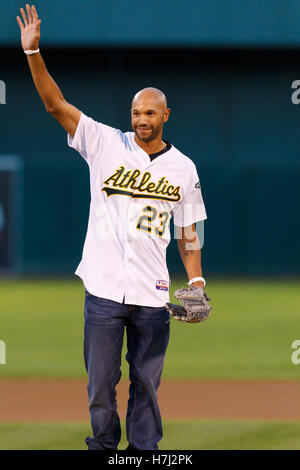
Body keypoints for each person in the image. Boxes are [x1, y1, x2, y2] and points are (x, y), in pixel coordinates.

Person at [17, 4, 208, 450]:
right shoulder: (104, 143)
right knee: (100, 386)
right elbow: (54, 104)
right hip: (102, 288)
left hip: (152, 292)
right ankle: (103, 448)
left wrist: (196, 279)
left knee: (146, 386)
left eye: (150, 113)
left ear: (166, 116)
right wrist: (33, 54)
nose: (141, 119)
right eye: (135, 111)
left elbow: (188, 231)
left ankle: (144, 453)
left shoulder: (183, 168)